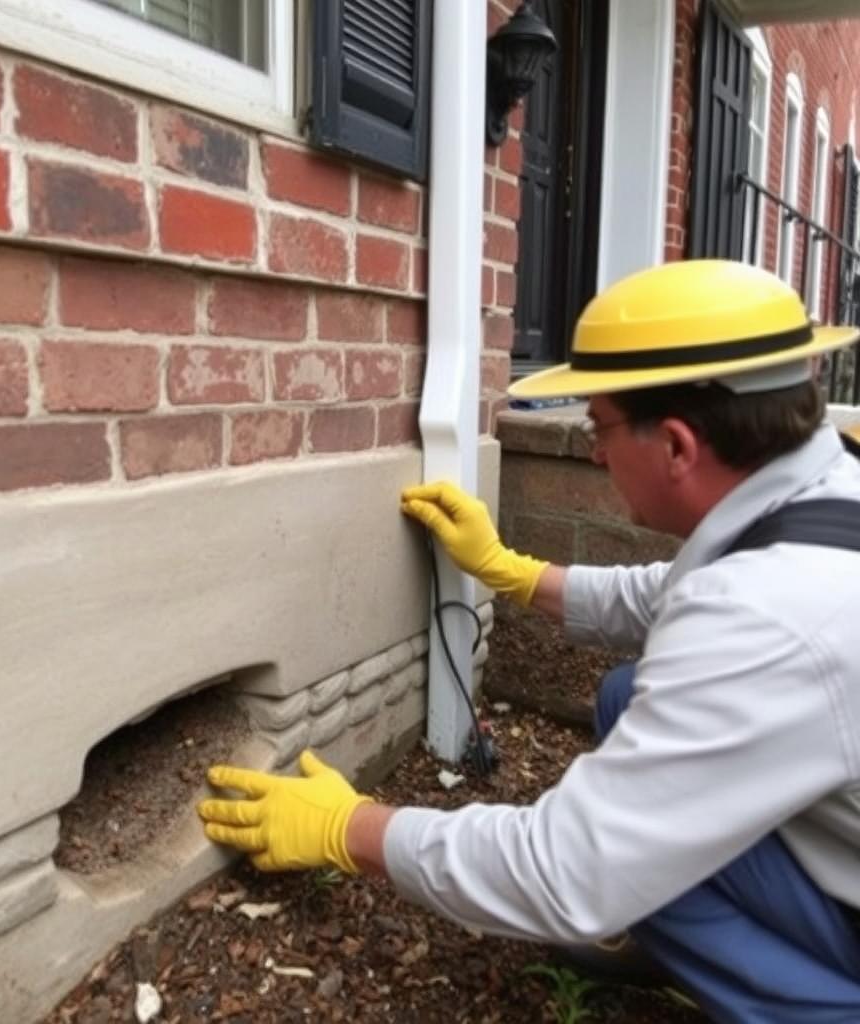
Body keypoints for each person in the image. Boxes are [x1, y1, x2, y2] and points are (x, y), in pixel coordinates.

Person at [198, 260, 860, 1023]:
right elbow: (669, 592)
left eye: (599, 426)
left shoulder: (773, 616)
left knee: (630, 860)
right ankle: (678, 925)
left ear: (677, 446)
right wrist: (509, 571)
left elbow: (566, 871)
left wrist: (350, 828)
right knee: (624, 697)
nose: (597, 450)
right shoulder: (819, 491)